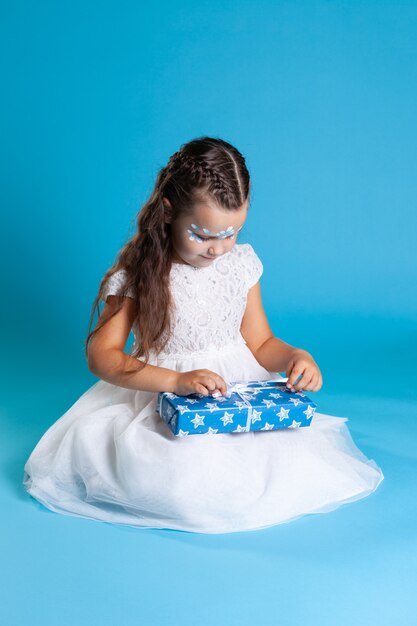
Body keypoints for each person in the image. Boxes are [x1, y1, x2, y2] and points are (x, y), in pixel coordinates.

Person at [22, 136, 384, 534]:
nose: (218, 249)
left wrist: (296, 356)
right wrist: (177, 381)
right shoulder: (140, 274)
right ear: (168, 211)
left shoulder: (240, 264)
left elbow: (261, 343)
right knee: (184, 479)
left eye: (231, 233)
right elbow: (102, 355)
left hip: (237, 387)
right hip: (163, 391)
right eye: (203, 234)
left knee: (282, 463)